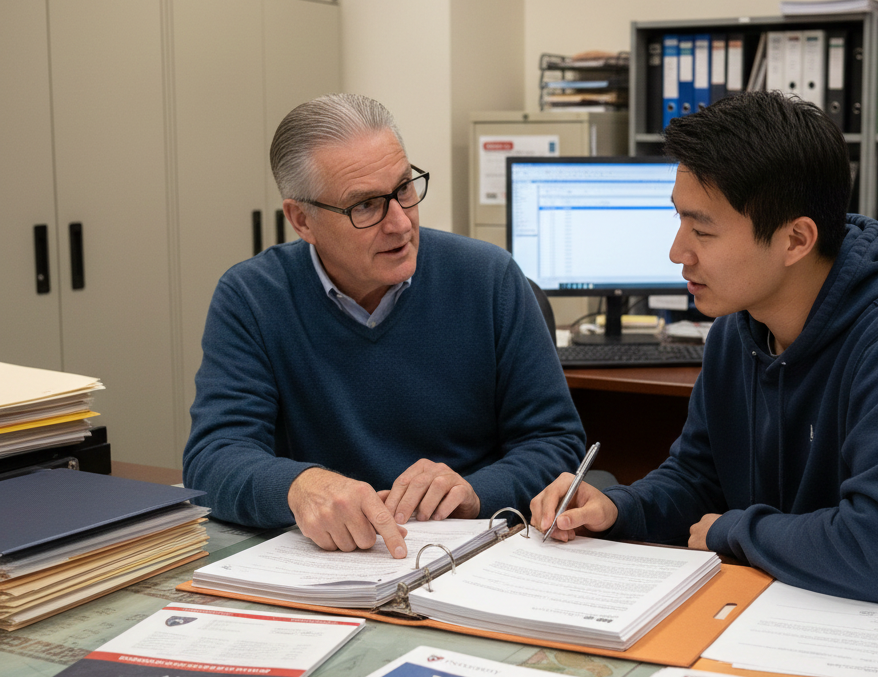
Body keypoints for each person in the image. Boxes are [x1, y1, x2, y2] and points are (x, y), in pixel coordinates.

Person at [531, 91, 878, 604]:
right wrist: (618, 509)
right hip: (799, 603)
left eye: (703, 230)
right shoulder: (735, 330)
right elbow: (699, 479)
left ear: (795, 240)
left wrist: (732, 532)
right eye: (678, 220)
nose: (677, 252)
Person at [184, 94, 585, 557]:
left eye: (404, 189)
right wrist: (297, 486)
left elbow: (556, 443)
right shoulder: (252, 296)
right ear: (301, 220)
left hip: (472, 554)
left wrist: (477, 491)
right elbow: (212, 459)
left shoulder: (488, 277)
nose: (400, 223)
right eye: (365, 206)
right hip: (323, 567)